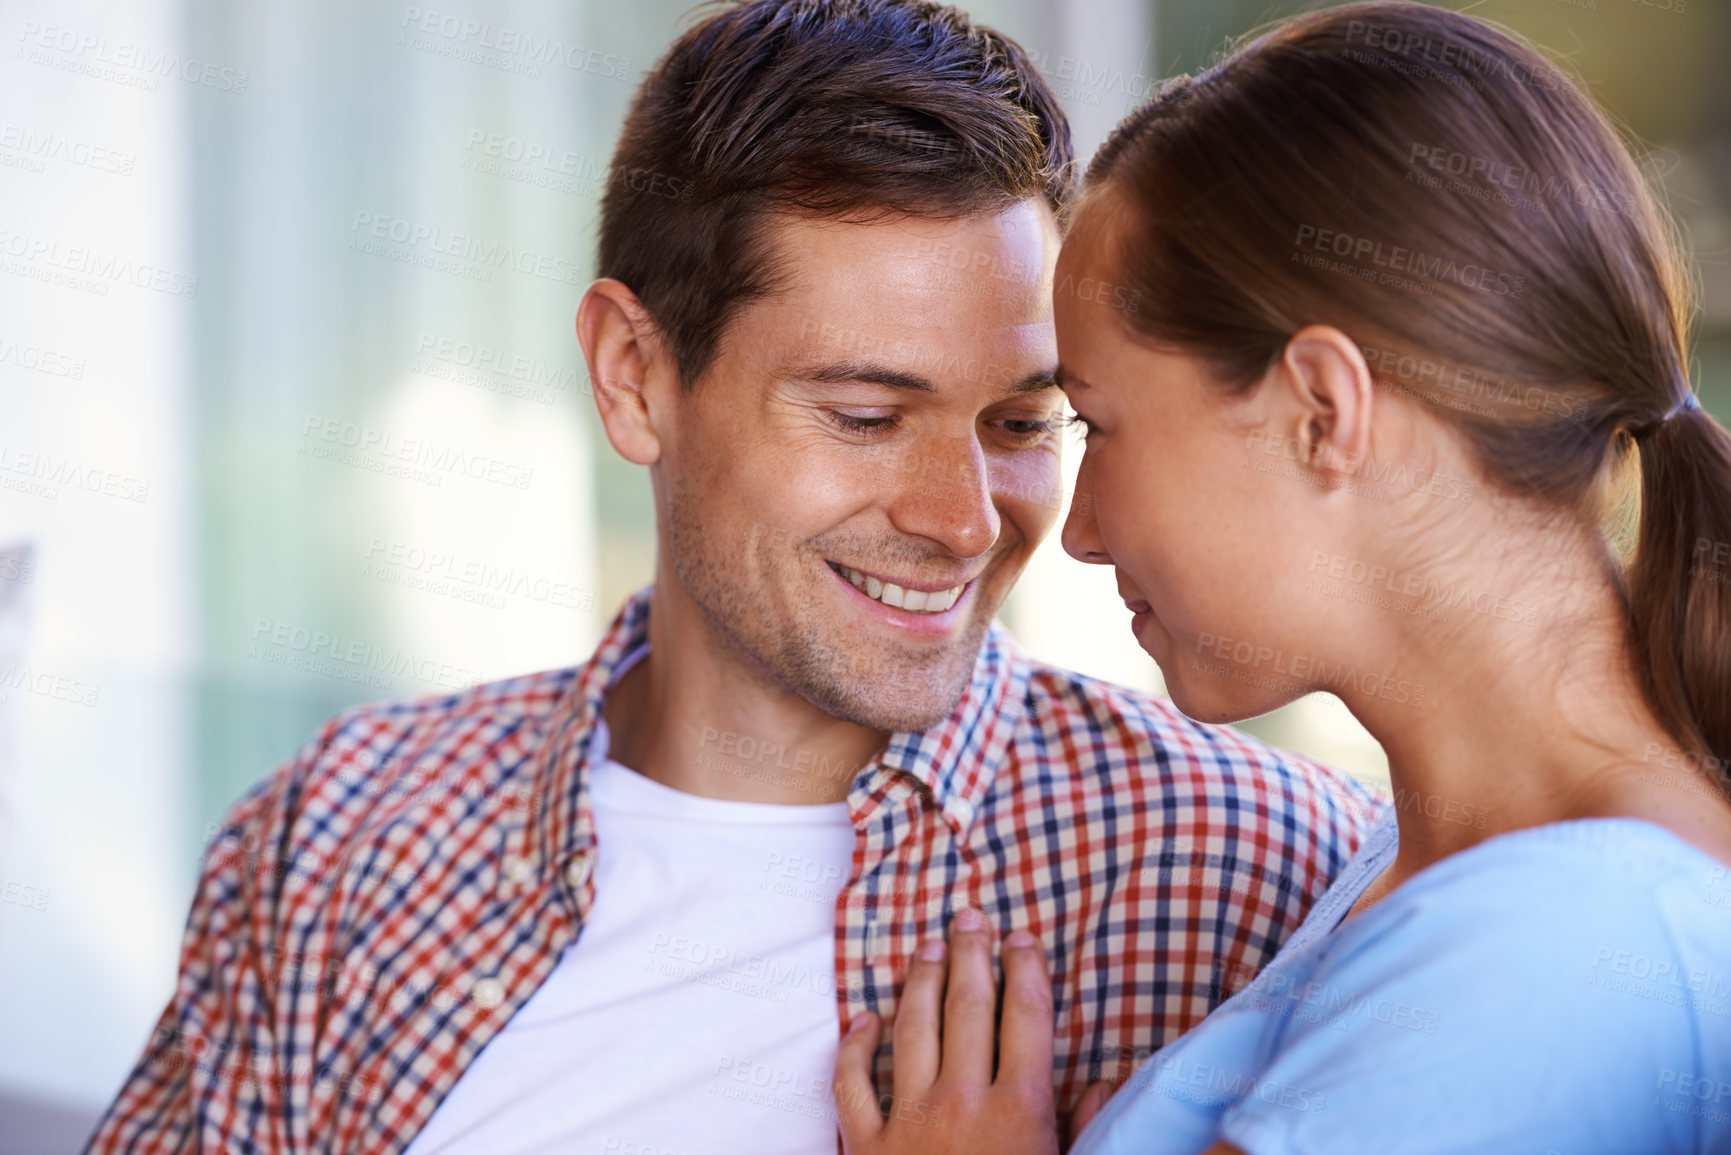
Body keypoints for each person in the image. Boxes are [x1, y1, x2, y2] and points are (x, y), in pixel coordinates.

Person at [85, 2, 1378, 1153]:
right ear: (632, 374)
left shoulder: (1264, 881)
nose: (961, 519)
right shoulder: (336, 843)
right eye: (866, 415)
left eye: (1021, 423)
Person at [835, 4, 1731, 1154]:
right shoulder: (1421, 860)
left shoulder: (1557, 948)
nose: (1082, 533)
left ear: (1322, 413)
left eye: (1098, 426)